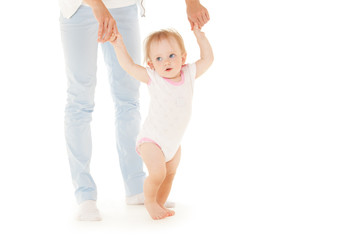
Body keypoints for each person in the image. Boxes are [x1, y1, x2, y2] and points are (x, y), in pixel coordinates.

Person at [58, 0, 210, 221]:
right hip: (78, 8)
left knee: (128, 100)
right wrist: (98, 6)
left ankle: (136, 187)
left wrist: (192, 2)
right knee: (80, 102)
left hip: (122, 6)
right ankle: (86, 196)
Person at [109, 24, 214, 219]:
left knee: (169, 175)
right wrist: (118, 45)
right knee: (158, 173)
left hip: (173, 142)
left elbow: (208, 59)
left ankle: (159, 203)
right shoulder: (154, 78)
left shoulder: (189, 74)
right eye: (159, 58)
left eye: (171, 55)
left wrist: (200, 36)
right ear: (151, 64)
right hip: (152, 140)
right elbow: (129, 66)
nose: (166, 61)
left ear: (183, 57)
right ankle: (149, 202)